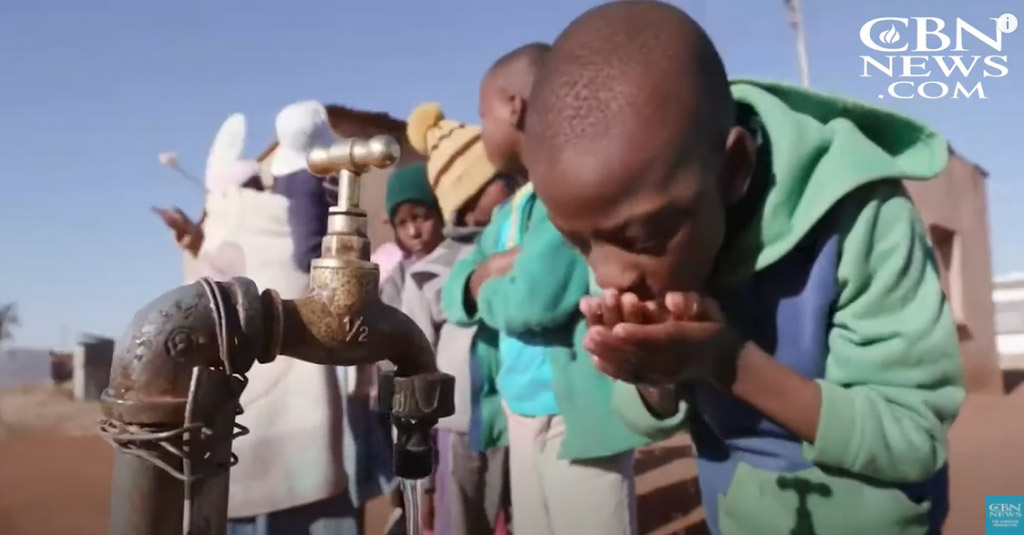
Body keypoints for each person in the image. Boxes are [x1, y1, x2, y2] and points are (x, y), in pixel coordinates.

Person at [522, 3, 965, 535]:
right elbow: (643, 418)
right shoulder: (631, 225)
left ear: (734, 169)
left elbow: (913, 440)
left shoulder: (860, 217)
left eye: (642, 237)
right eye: (578, 243)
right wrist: (650, 376)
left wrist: (724, 360)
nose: (611, 273)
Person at [441, 43, 650, 535]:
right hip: (520, 413)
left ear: (515, 106)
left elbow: (532, 301)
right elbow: (454, 297)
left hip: (574, 420)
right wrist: (491, 267)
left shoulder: (572, 194)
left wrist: (486, 282)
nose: (481, 127)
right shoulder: (507, 215)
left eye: (481, 113)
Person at [226, 100, 392, 535]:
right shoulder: (307, 184)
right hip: (314, 332)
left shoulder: (283, 182)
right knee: (326, 449)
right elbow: (304, 254)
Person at [400, 102, 517, 535]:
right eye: (495, 181)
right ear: (465, 200)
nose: (509, 185)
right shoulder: (429, 274)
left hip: (517, 419)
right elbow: (413, 373)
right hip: (457, 431)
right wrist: (421, 478)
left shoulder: (520, 241)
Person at [374, 161, 446, 535]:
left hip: (443, 396)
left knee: (442, 479)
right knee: (411, 470)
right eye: (403, 223)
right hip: (403, 394)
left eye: (422, 216)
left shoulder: (453, 263)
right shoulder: (396, 276)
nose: (414, 230)